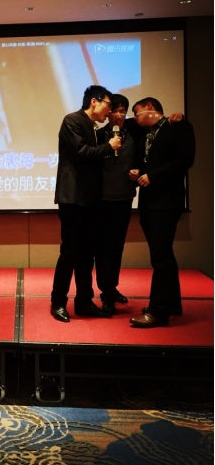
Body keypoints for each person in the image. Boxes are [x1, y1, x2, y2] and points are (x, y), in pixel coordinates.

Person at [50, 85, 122, 323]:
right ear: (94, 101)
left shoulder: (93, 127)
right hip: (72, 198)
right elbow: (81, 151)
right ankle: (58, 302)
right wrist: (109, 147)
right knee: (70, 252)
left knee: (87, 254)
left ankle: (84, 302)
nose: (109, 111)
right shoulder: (72, 120)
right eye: (108, 105)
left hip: (90, 199)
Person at [128, 97, 195, 328]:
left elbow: (185, 160)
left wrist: (153, 176)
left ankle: (157, 312)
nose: (135, 118)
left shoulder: (178, 126)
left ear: (149, 108)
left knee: (160, 257)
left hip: (166, 202)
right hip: (149, 202)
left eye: (137, 112)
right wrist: (137, 172)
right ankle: (172, 304)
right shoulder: (144, 132)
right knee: (164, 254)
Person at [95, 94, 138, 314]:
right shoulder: (98, 135)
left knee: (117, 246)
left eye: (123, 111)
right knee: (103, 247)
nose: (119, 115)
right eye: (115, 110)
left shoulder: (134, 133)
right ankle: (106, 293)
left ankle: (111, 287)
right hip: (102, 199)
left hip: (124, 197)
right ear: (108, 111)